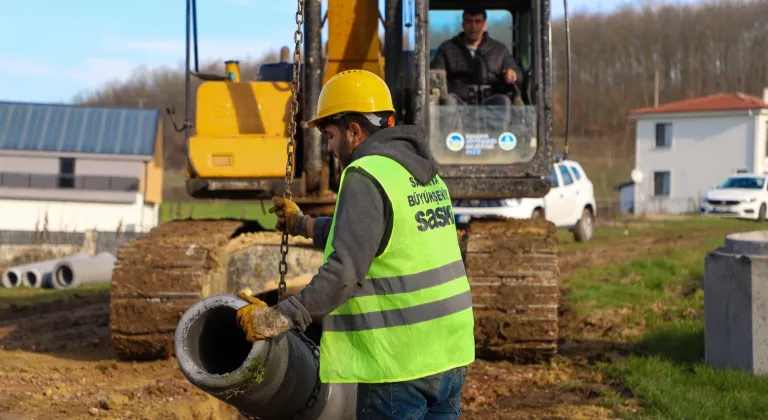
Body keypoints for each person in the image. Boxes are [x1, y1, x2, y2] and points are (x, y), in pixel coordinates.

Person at [235, 69, 476, 419]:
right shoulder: (420, 171)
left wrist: (280, 317)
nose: (330, 148)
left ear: (354, 130)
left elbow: (343, 275)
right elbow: (381, 234)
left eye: (331, 135)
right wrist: (302, 224)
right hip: (449, 353)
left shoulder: (365, 173)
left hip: (400, 361)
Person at [430, 7, 523, 107]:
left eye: (478, 22)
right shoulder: (447, 49)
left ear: (484, 25)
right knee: (449, 102)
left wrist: (512, 74)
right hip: (459, 103)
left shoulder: (499, 50)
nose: (473, 26)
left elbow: (517, 74)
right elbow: (435, 76)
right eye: (469, 22)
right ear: (463, 25)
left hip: (491, 102)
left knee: (503, 101)